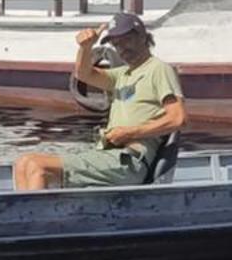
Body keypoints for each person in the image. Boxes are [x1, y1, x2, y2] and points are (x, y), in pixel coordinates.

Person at [13, 12, 185, 191]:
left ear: (142, 36)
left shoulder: (159, 69)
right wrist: (86, 47)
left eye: (125, 40)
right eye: (116, 44)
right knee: (23, 163)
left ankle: (31, 217)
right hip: (108, 154)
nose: (121, 48)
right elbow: (84, 74)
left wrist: (130, 133)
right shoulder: (122, 74)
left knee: (37, 165)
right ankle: (25, 217)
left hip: (129, 161)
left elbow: (178, 118)